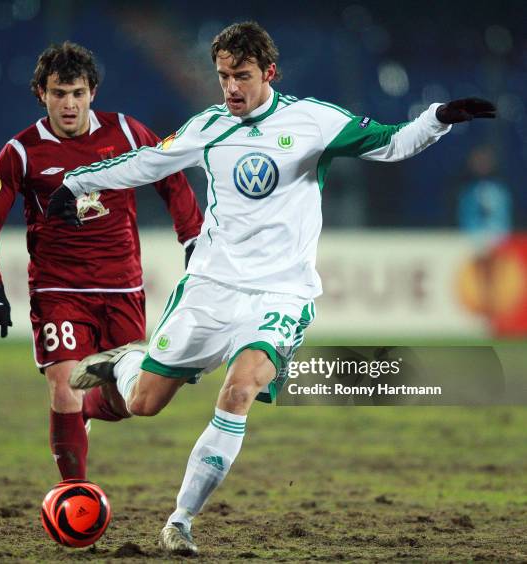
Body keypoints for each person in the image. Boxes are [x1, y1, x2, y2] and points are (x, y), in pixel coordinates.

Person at [47, 22, 496, 554]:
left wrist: (437, 119)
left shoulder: (313, 121)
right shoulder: (209, 126)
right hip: (210, 288)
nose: (231, 88)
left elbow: (391, 144)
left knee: (239, 391)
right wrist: (76, 183)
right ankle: (126, 363)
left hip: (280, 294)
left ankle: (180, 521)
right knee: (144, 403)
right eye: (223, 77)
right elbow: (147, 162)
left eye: (242, 76)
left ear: (269, 73)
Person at [0, 41, 203, 481]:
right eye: (59, 93)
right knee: (63, 384)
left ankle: (89, 405)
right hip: (59, 290)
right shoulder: (21, 152)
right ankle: (74, 493)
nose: (69, 104)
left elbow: (171, 179)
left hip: (122, 289)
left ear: (92, 91)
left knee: (130, 402)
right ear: (41, 93)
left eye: (77, 93)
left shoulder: (128, 134)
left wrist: (192, 236)